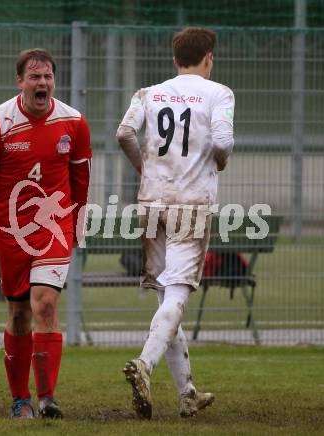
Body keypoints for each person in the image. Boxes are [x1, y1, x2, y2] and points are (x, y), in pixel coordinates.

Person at [116, 27, 234, 419]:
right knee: (179, 294)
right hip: (191, 203)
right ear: (209, 58)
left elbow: (125, 132)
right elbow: (223, 142)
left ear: (174, 59)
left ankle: (187, 393)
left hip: (151, 201)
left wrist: (144, 167)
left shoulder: (148, 93)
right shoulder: (218, 93)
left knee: (166, 298)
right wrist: (218, 162)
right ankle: (144, 365)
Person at [0, 48, 91, 419]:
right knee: (19, 315)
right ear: (20, 81)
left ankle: (47, 398)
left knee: (46, 304)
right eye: (35, 77)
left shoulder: (74, 123)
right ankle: (20, 398)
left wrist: (77, 228)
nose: (43, 83)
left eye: (48, 76)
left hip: (54, 227)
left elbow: (81, 180)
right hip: (11, 231)